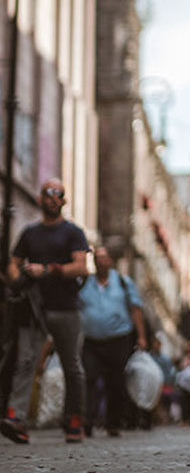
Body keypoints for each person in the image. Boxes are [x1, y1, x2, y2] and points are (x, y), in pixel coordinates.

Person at [0, 178, 88, 445]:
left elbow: (81, 267)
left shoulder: (73, 232)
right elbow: (13, 264)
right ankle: (17, 419)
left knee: (72, 366)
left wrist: (48, 270)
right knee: (26, 362)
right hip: (34, 308)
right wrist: (19, 276)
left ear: (63, 200)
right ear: (40, 199)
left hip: (64, 308)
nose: (52, 197)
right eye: (47, 193)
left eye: (57, 194)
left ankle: (74, 420)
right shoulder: (30, 234)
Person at [78, 245, 147, 436]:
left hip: (118, 340)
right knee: (89, 379)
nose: (100, 261)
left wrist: (141, 336)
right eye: (97, 258)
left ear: (110, 261)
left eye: (104, 257)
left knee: (115, 382)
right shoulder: (85, 283)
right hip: (92, 341)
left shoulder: (123, 282)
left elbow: (135, 308)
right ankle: (88, 420)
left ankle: (113, 422)